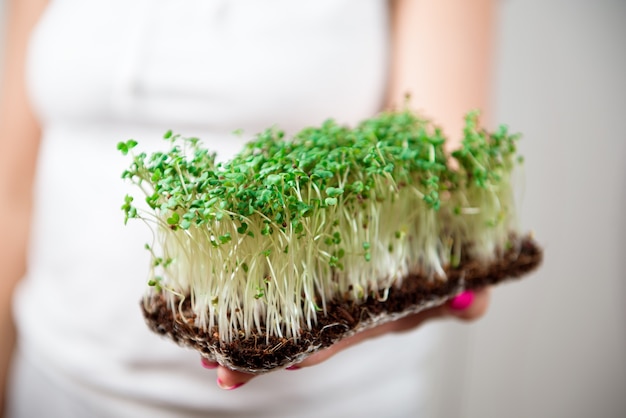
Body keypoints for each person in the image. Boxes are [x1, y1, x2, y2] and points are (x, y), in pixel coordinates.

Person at [0, 0, 493, 416]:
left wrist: (416, 279)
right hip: (53, 384)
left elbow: (441, 170)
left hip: (324, 405)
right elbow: (11, 196)